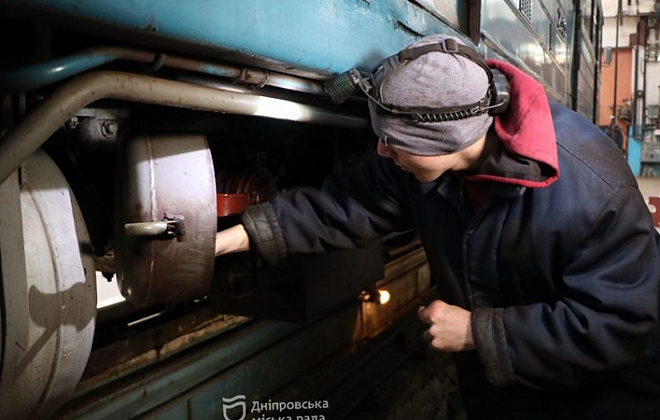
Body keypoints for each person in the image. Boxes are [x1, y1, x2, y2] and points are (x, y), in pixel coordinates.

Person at [214, 34, 660, 419]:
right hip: (505, 397)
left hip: (598, 404)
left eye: (394, 143)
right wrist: (246, 234)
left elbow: (620, 323)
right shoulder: (429, 166)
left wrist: (476, 333)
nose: (383, 152)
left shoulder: (592, 189)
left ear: (444, 141)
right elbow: (351, 204)